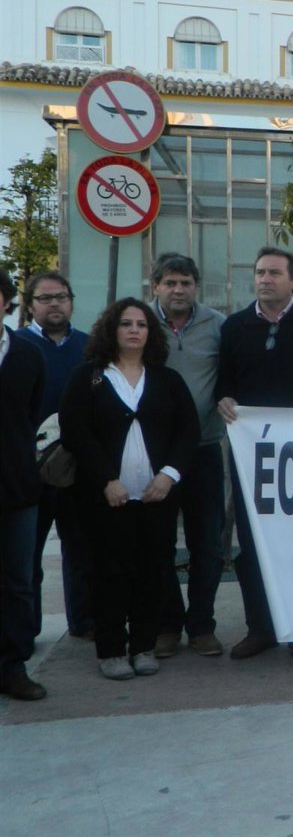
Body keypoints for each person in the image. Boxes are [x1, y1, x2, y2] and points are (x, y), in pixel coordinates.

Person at [60, 298, 200, 681]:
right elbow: (76, 432)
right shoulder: (88, 377)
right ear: (112, 330)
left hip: (156, 496)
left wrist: (168, 475)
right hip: (106, 497)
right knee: (110, 573)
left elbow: (188, 431)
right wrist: (106, 479)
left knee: (152, 572)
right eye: (126, 323)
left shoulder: (167, 379)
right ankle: (110, 650)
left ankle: (143, 646)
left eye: (141, 324)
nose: (134, 330)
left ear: (151, 333)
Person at [216, 246, 293, 661]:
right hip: (252, 455)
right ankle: (260, 627)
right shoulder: (234, 327)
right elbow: (223, 381)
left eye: (275, 273)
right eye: (260, 272)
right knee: (253, 541)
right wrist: (224, 399)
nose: (265, 279)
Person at [149, 254, 226, 659]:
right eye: (170, 283)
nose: (178, 290)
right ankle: (167, 625)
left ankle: (201, 625)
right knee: (159, 543)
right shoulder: (139, 322)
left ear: (196, 286)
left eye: (185, 283)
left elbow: (231, 375)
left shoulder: (218, 325)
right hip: (155, 455)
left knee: (207, 544)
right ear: (155, 287)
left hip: (205, 450)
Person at [15, 271, 92, 640]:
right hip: (28, 469)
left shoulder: (90, 347)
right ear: (30, 305)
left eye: (61, 296)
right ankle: (25, 630)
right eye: (45, 298)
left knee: (82, 549)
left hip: (79, 466)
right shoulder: (16, 348)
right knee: (26, 555)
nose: (55, 304)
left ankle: (85, 621)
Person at [0, 269, 48, 700]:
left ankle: (13, 667)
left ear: (5, 301)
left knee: (18, 582)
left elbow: (31, 418)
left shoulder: (28, 356)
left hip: (16, 487)